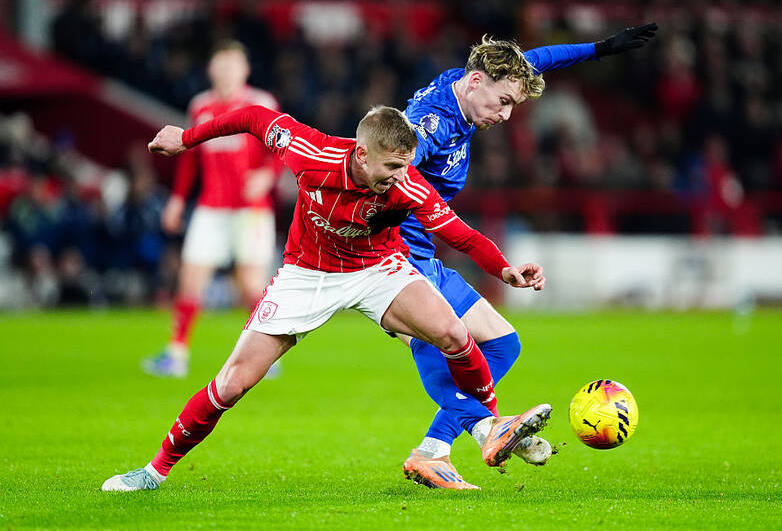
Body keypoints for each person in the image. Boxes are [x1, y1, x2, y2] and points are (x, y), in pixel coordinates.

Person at [102, 104, 550, 492]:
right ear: (360, 153)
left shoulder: (408, 185)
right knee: (232, 384)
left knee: (454, 333)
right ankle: (153, 471)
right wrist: (187, 137)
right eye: (391, 167)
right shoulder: (309, 152)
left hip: (378, 268)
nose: (401, 177)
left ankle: (489, 427)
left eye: (406, 166)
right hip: (305, 276)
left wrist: (505, 269)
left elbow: (461, 234)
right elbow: (255, 118)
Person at [399, 24, 658, 488]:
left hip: (420, 255)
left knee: (501, 344)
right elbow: (390, 173)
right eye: (504, 103)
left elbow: (540, 58)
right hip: (394, 256)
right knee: (446, 345)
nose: (506, 114)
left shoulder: (473, 86)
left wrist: (600, 48)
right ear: (477, 81)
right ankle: (481, 431)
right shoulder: (430, 124)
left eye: (513, 105)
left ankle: (436, 449)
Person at [143, 40, 283, 378]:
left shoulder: (261, 103)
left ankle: (268, 355)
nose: (226, 73)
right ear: (211, 70)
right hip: (211, 206)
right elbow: (189, 158)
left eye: (233, 66)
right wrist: (177, 199)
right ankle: (176, 353)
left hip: (251, 209)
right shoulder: (201, 106)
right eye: (220, 66)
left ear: (245, 71)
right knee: (190, 279)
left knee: (250, 285)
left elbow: (281, 146)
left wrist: (266, 175)